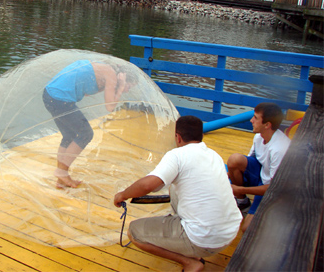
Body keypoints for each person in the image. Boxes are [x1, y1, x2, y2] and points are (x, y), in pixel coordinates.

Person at [114, 116, 242, 272]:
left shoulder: (177, 155)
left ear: (178, 137)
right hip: (230, 232)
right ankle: (189, 246)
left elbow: (148, 184)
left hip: (203, 239)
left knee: (134, 232)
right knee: (174, 187)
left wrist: (122, 194)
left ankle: (190, 262)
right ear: (201, 136)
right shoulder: (214, 155)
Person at [43, 60, 136, 188]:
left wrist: (116, 86)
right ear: (124, 78)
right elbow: (110, 107)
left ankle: (61, 178)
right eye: (129, 86)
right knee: (86, 133)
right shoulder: (111, 74)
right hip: (59, 98)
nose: (127, 90)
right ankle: (61, 172)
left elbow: (86, 90)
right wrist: (120, 87)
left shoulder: (105, 70)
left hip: (51, 95)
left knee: (69, 136)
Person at [227, 102, 291, 232]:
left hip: (276, 190)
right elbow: (248, 162)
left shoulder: (279, 149)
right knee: (234, 159)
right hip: (263, 175)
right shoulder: (258, 137)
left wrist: (239, 189)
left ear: (267, 125)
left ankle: (267, 214)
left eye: (255, 118)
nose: (251, 120)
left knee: (247, 229)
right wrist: (225, 176)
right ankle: (242, 202)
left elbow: (274, 188)